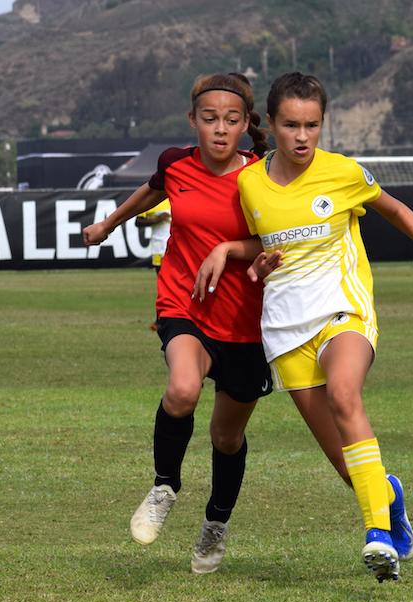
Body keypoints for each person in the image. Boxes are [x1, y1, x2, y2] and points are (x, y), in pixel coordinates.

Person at [194, 72, 413, 583]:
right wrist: (245, 259)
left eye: (313, 125)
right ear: (271, 126)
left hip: (343, 310)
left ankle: (378, 537)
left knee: (346, 396)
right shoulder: (250, 183)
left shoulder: (344, 173)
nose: (303, 137)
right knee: (348, 466)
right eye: (292, 125)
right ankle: (388, 497)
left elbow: (398, 211)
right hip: (284, 332)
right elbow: (267, 246)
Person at [82, 72, 272, 575]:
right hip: (184, 305)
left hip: (246, 323)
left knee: (226, 438)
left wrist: (232, 250)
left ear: (245, 125)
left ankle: (216, 524)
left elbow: (278, 241)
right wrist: (107, 224)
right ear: (193, 121)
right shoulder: (175, 163)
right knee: (182, 389)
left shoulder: (264, 176)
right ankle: (165, 485)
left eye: (232, 120)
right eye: (209, 119)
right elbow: (151, 192)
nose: (219, 129)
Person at [134, 199, 172, 330]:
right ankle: (160, 319)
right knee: (163, 285)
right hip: (159, 249)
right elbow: (138, 222)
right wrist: (157, 220)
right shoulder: (153, 199)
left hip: (177, 248)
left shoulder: (177, 195)